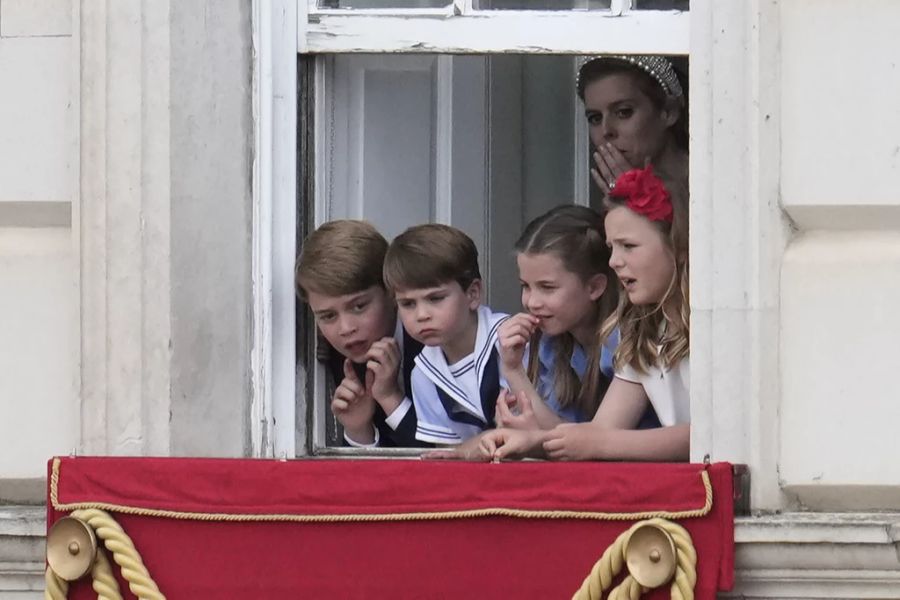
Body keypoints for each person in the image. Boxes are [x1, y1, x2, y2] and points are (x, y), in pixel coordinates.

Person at [481, 165, 690, 461]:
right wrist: (526, 440)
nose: (615, 261)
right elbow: (598, 434)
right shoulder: (643, 330)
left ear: (678, 245)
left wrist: (548, 440)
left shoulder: (711, 325)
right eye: (611, 248)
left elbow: (712, 434)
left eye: (628, 246)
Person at [295, 220, 426, 448]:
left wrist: (390, 398)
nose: (346, 328)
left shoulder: (434, 338)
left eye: (359, 307)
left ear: (391, 293)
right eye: (328, 316)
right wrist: (358, 430)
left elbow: (448, 455)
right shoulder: (340, 358)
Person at [494, 205, 620, 429]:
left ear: (594, 287)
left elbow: (570, 442)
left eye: (547, 287)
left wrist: (515, 375)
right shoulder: (549, 344)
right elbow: (555, 430)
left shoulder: (621, 341)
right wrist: (513, 370)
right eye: (526, 286)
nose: (532, 302)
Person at [383, 224, 508, 445]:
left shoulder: (511, 340)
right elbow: (447, 454)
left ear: (472, 294)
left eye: (435, 298)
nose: (421, 315)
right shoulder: (423, 375)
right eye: (408, 303)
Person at [577, 54, 688, 197]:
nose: (606, 130)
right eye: (595, 118)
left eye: (624, 112)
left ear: (668, 112)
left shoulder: (714, 182)